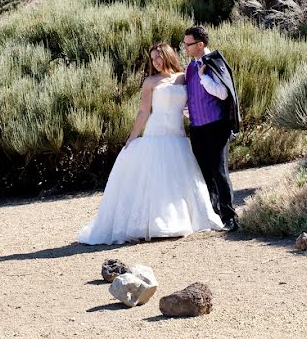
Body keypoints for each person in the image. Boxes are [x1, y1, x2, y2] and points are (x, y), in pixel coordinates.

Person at [77, 43, 223, 245]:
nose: (155, 62)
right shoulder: (150, 82)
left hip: (178, 135)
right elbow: (144, 111)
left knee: (177, 178)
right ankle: (152, 224)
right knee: (155, 177)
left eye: (158, 57)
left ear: (168, 56)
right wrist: (133, 136)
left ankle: (181, 220)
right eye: (152, 58)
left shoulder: (183, 76)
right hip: (157, 133)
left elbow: (193, 103)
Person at [181, 25, 242, 232]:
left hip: (216, 127)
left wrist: (204, 77)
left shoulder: (214, 63)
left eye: (188, 44)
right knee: (206, 173)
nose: (185, 48)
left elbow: (223, 93)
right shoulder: (189, 67)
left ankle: (230, 217)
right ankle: (215, 215)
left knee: (219, 171)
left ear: (200, 44)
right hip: (197, 128)